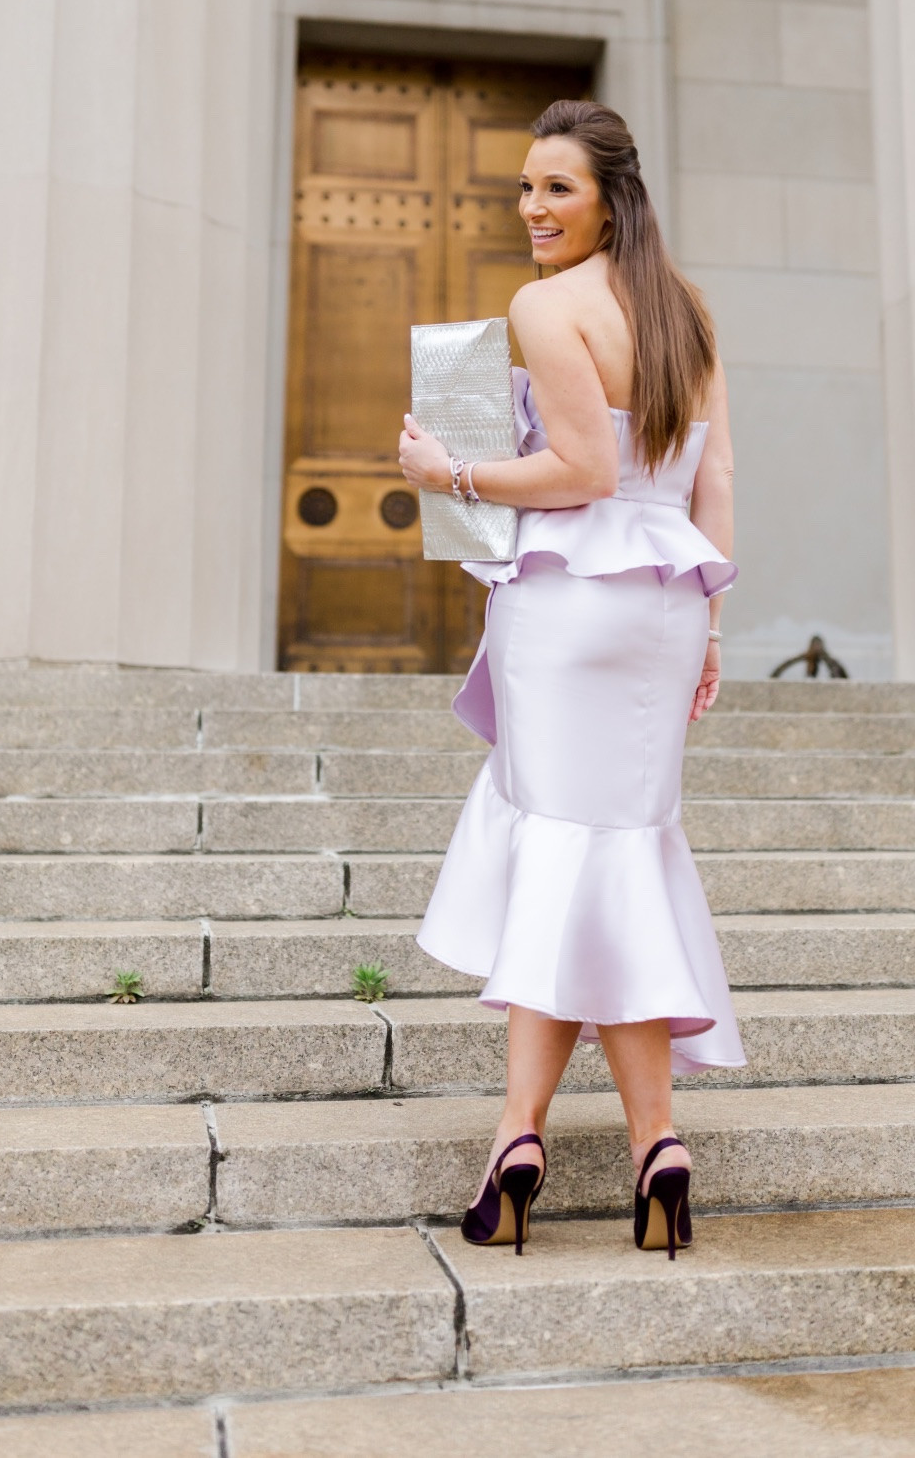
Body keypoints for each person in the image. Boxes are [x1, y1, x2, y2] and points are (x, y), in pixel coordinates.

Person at [397, 98, 743, 1262]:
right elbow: (716, 481)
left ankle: (518, 1139)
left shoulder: (545, 307)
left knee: (557, 848)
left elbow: (583, 469)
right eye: (525, 189)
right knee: (617, 850)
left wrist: (452, 470)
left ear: (609, 198)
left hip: (571, 602)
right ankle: (654, 1143)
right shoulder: (684, 309)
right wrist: (709, 629)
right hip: (661, 607)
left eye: (556, 189)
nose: (531, 209)